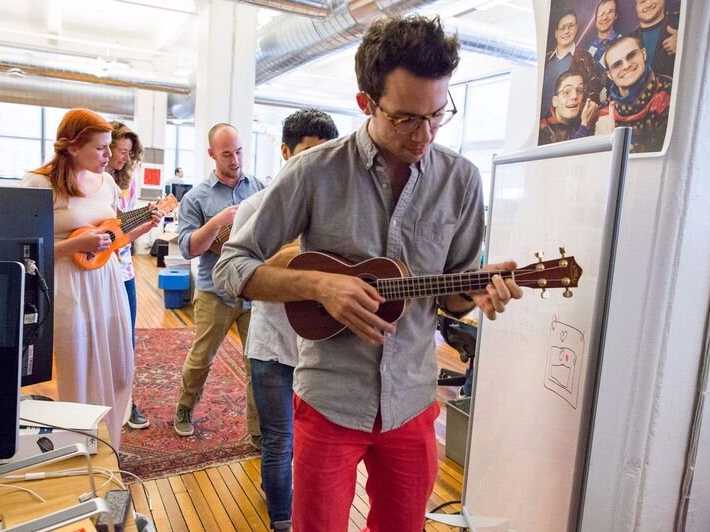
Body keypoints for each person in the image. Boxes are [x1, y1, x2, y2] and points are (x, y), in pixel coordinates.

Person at [214, 16, 522, 532]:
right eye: (405, 118)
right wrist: (318, 285)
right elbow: (231, 268)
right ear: (365, 103)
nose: (423, 134)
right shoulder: (313, 172)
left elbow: (454, 299)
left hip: (413, 401)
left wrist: (477, 293)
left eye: (437, 114)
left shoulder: (462, 180)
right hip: (330, 402)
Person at [220, 109, 338, 531]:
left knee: (317, 446)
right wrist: (305, 263)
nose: (315, 165)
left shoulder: (337, 212)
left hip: (323, 347)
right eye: (307, 154)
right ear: (286, 153)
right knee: (278, 440)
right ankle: (281, 522)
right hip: (272, 345)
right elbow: (238, 270)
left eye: (326, 155)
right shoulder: (257, 205)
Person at [21, 108, 159, 446]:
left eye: (110, 147)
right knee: (76, 367)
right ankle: (76, 443)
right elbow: (22, 252)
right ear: (71, 146)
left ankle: (109, 442)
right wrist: (72, 246)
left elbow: (108, 241)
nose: (110, 156)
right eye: (100, 148)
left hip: (107, 283)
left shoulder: (108, 183)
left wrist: (143, 227)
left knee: (118, 363)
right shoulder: (39, 184)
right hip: (67, 288)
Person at [173, 123, 264, 440]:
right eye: (227, 154)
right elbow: (188, 248)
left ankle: (258, 430)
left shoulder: (259, 189)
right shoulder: (196, 197)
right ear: (212, 154)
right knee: (201, 359)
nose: (235, 160)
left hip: (255, 291)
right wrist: (217, 222)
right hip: (215, 291)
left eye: (239, 151)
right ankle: (184, 407)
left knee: (259, 365)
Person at [107, 121, 152, 430]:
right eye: (119, 150)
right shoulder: (89, 179)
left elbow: (124, 230)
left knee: (127, 339)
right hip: (94, 271)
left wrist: (147, 222)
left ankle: (127, 399)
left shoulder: (129, 182)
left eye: (128, 153)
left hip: (124, 270)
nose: (123, 158)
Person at [599, 35, 672, 153]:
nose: (626, 66)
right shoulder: (605, 114)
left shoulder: (671, 93)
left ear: (644, 54)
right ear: (609, 75)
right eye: (617, 64)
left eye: (631, 56)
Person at [541, 9, 602, 118]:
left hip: (571, 127)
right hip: (542, 126)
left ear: (577, 28)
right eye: (562, 28)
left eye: (571, 26)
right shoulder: (545, 60)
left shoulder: (586, 58)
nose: (566, 31)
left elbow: (595, 89)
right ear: (556, 33)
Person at [538, 71, 599, 145]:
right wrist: (584, 126)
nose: (574, 96)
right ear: (555, 101)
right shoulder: (541, 131)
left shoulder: (585, 115)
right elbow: (570, 154)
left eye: (579, 90)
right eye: (567, 92)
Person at [631, 0, 679, 78]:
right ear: (636, 8)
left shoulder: (683, 24)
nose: (648, 4)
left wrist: (685, 43)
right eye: (642, 1)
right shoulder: (627, 40)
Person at [587, 0, 621, 68]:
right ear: (595, 18)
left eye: (610, 12)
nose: (605, 17)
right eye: (601, 13)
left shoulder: (622, 42)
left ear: (616, 16)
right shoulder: (587, 47)